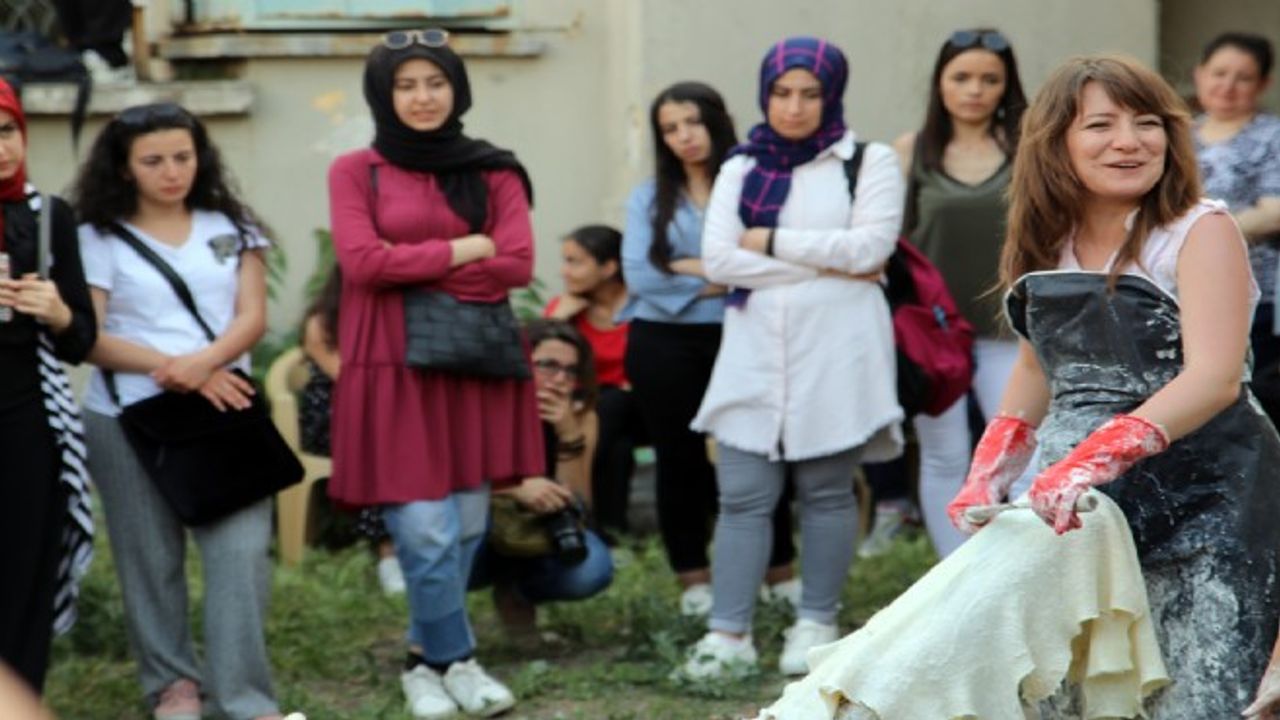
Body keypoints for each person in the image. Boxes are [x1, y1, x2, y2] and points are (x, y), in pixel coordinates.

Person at [764, 54, 1280, 720]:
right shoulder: (1046, 232)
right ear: (1056, 142)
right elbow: (1038, 366)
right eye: (1101, 125)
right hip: (1082, 497)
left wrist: (1091, 461)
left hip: (1207, 490)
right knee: (1042, 667)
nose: (1129, 141)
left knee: (1197, 692)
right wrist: (995, 462)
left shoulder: (1198, 229)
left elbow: (1214, 378)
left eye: (1147, 122)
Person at [327, 28, 542, 719]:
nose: (423, 97)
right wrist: (465, 247)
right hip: (391, 365)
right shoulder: (355, 171)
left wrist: (413, 265)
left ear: (457, 89)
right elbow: (362, 265)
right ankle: (458, 660)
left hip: (470, 364)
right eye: (406, 85)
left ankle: (424, 662)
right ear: (382, 95)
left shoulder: (494, 171)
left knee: (468, 528)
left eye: (435, 83)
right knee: (424, 530)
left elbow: (515, 265)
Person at [679, 36, 904, 680]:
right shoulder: (741, 166)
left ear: (832, 96)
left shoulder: (869, 162)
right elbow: (720, 260)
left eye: (810, 94)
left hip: (838, 352)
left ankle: (816, 621)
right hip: (754, 352)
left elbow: (871, 250)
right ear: (765, 94)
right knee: (743, 495)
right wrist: (826, 266)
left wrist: (770, 241)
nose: (795, 107)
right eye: (782, 93)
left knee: (827, 492)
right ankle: (729, 633)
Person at [72, 102, 292, 720]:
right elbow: (89, 336)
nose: (171, 172)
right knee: (149, 559)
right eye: (153, 161)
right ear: (123, 168)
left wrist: (205, 365)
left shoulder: (233, 225)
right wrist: (177, 369)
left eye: (182, 157)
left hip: (224, 413)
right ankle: (172, 686)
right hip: (128, 417)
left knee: (241, 556)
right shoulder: (96, 237)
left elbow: (253, 316)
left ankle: (244, 698)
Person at [620, 81, 801, 617]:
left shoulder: (756, 185)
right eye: (670, 129)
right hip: (662, 341)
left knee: (762, 451)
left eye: (693, 122)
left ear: (717, 121)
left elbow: (777, 262)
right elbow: (640, 276)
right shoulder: (648, 197)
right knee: (678, 459)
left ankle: (779, 571)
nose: (684, 136)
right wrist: (726, 274)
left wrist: (691, 267)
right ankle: (693, 579)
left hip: (743, 332)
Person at [885, 27, 1028, 558]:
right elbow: (889, 243)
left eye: (990, 79)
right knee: (944, 455)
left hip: (1008, 328)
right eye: (961, 77)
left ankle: (1027, 569)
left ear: (1006, 86)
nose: (974, 90)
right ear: (940, 83)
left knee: (1022, 455)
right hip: (935, 334)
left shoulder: (1029, 149)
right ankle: (955, 573)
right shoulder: (911, 152)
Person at [0, 78, 95, 696]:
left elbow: (81, 340)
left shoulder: (48, 216)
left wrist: (57, 313)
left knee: (22, 571)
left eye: (7, 131)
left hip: (26, 419)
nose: (1, 149)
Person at [467, 319, 613, 633]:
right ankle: (444, 623)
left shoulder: (581, 415)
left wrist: (568, 435)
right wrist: (514, 487)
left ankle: (517, 593)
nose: (560, 379)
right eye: (548, 366)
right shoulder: (483, 401)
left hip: (538, 533)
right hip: (480, 527)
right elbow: (450, 480)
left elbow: (579, 503)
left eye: (570, 371)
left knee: (592, 569)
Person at [296, 266, 405, 595]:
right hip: (334, 418)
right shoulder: (321, 323)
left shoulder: (394, 319)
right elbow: (350, 382)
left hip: (385, 414)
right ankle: (388, 553)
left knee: (400, 434)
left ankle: (420, 543)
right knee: (379, 440)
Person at [1189, 32, 1280, 422]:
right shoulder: (1179, 134)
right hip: (1180, 291)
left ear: (1263, 84)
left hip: (1253, 296)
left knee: (1247, 403)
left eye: (1243, 77)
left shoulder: (1272, 135)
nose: (1227, 86)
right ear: (1199, 74)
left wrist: (1198, 235)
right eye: (1219, 73)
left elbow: (1274, 211)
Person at [544, 224, 645, 539]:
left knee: (613, 400)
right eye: (565, 261)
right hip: (589, 414)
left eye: (574, 262)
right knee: (618, 450)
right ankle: (608, 535)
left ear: (609, 267)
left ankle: (565, 507)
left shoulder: (643, 306)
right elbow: (536, 359)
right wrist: (558, 320)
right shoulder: (565, 309)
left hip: (641, 409)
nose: (564, 271)